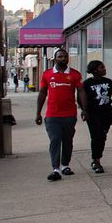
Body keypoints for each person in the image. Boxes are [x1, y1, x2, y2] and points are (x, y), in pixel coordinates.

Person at [35, 48, 84, 181]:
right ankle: (55, 169)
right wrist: (38, 113)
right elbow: (42, 93)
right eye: (60, 57)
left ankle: (65, 165)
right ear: (55, 59)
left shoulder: (75, 74)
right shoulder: (47, 74)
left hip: (69, 115)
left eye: (65, 57)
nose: (63, 59)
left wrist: (84, 109)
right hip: (52, 115)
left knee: (67, 141)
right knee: (55, 140)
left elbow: (80, 92)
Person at [81, 60, 112, 174]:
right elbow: (81, 99)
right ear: (95, 70)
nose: (104, 69)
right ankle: (96, 161)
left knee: (102, 136)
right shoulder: (86, 84)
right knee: (96, 136)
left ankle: (97, 156)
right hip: (93, 114)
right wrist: (84, 111)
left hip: (106, 113)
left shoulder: (108, 81)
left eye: (104, 67)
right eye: (101, 67)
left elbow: (109, 95)